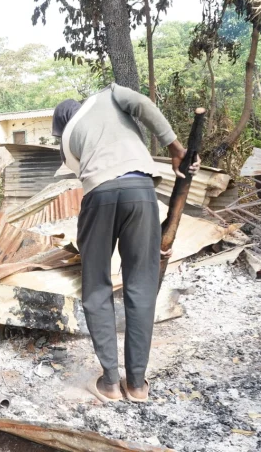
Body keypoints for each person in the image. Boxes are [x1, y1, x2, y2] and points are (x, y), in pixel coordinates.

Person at [52, 83, 200, 404]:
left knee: (96, 288)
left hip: (99, 197)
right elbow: (141, 103)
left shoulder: (66, 141)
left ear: (61, 125)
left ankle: (109, 382)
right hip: (141, 190)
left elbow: (95, 178)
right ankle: (136, 385)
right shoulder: (107, 96)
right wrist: (175, 149)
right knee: (141, 287)